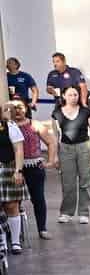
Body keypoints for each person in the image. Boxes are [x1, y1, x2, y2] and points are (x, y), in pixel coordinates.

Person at [6, 101, 54, 242]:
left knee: (38, 198)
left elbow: (51, 142)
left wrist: (50, 160)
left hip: (34, 166)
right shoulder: (7, 126)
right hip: (14, 167)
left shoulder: (35, 124)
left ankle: (42, 229)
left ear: (26, 108)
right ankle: (15, 232)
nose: (18, 111)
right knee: (14, 201)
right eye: (14, 108)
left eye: (20, 107)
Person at [51, 85, 90, 225]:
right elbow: (55, 135)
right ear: (64, 96)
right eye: (70, 95)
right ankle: (66, 212)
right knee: (68, 182)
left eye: (76, 95)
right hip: (65, 148)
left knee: (85, 180)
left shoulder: (86, 112)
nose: (73, 97)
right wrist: (54, 155)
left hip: (84, 147)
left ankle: (84, 212)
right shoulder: (57, 113)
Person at [0, 104, 28, 252]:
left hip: (8, 169)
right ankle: (2, 242)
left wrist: (18, 170)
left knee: (11, 206)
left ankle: (15, 242)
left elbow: (18, 149)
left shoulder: (9, 126)